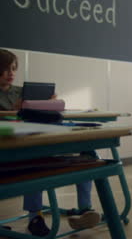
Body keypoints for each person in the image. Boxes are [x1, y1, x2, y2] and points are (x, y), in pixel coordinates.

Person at [0, 48, 100, 236]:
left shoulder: (22, 92)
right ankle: (35, 217)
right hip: (9, 152)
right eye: (5, 69)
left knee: (86, 153)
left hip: (35, 142)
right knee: (33, 161)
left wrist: (49, 103)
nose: (11, 73)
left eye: (13, 68)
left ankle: (85, 209)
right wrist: (15, 112)